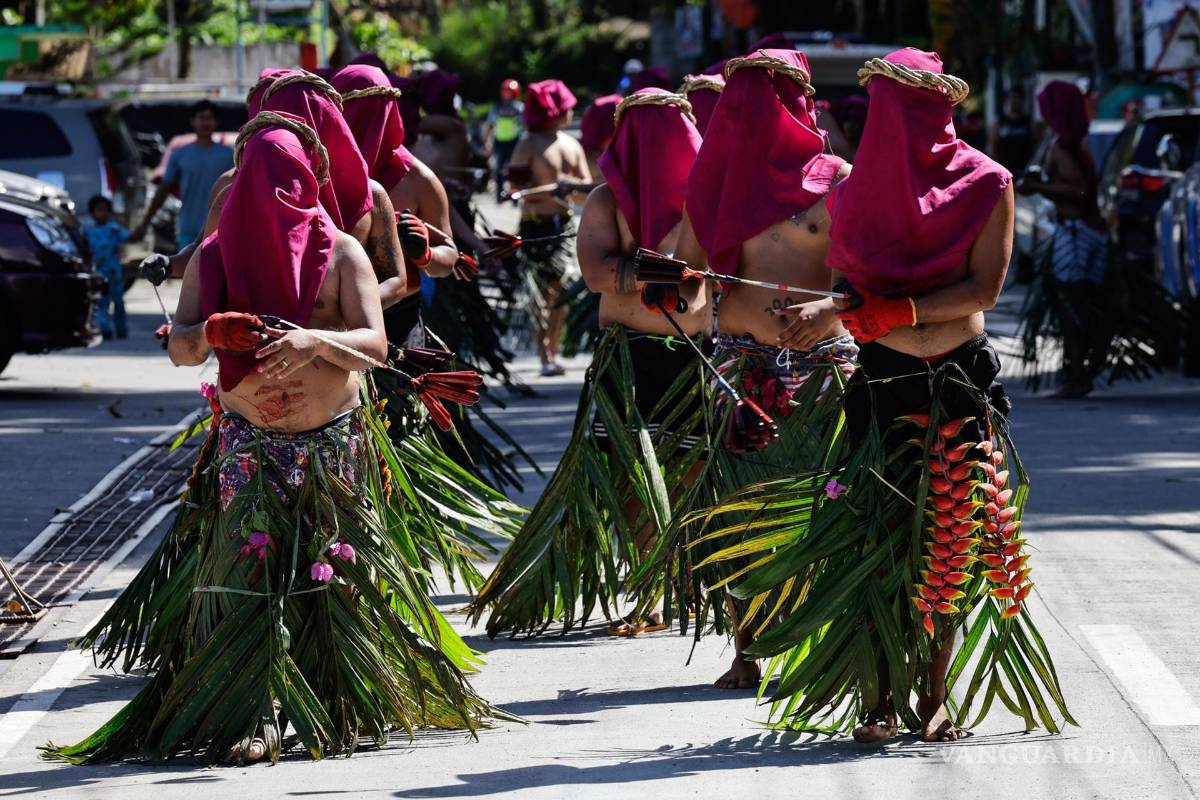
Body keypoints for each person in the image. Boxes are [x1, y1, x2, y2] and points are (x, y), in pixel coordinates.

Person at [45, 116, 498, 765]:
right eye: (265, 183)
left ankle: (339, 700)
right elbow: (179, 346)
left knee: (333, 577)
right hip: (248, 445)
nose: (279, 196)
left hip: (331, 442)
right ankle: (251, 713)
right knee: (251, 582)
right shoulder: (215, 256)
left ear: (313, 179)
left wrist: (318, 340)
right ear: (243, 185)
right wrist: (211, 333)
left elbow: (374, 346)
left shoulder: (342, 251)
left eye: (290, 182)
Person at [705, 48, 1072, 743]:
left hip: (959, 378)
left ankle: (933, 694)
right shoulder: (854, 190)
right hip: (882, 382)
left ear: (939, 112)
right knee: (873, 539)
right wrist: (830, 314)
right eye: (884, 111)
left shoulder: (989, 183)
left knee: (950, 541)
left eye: (907, 111)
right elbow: (850, 289)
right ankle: (876, 699)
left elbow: (983, 291)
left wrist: (894, 313)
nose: (892, 126)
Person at [468, 88, 708, 638]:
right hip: (626, 357)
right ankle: (648, 590)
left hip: (693, 356)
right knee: (629, 478)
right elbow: (600, 275)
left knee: (692, 473)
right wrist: (657, 275)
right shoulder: (607, 200)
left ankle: (688, 582)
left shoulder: (709, 198)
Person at [662, 49, 858, 689]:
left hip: (825, 367)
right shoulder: (713, 186)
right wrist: (677, 290)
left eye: (765, 95)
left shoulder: (839, 180)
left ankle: (828, 636)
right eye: (740, 97)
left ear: (798, 104)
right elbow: (690, 280)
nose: (749, 111)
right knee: (738, 509)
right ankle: (746, 651)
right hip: (742, 370)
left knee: (829, 503)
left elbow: (864, 280)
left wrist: (828, 303)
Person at [331, 64, 459, 350]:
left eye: (372, 112)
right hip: (328, 324)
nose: (362, 124)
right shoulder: (313, 172)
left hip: (399, 326)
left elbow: (449, 257)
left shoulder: (418, 180)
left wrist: (425, 253)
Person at [1018, 80, 1108, 398]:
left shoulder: (1063, 145)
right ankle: (1080, 370)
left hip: (1075, 233)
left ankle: (1078, 376)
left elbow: (1077, 191)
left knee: (1070, 306)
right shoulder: (1077, 142)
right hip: (1090, 231)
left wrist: (1037, 188)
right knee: (1082, 304)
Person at [508, 79, 592, 375]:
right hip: (535, 226)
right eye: (567, 107)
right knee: (538, 295)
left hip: (565, 226)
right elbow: (513, 189)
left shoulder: (572, 144)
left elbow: (585, 191)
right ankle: (544, 354)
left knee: (562, 292)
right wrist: (552, 189)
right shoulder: (527, 143)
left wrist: (570, 188)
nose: (571, 112)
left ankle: (553, 351)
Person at [131, 99, 233, 249]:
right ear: (193, 121)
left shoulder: (229, 155)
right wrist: (145, 223)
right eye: (201, 118)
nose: (205, 123)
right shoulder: (179, 154)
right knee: (188, 271)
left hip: (220, 228)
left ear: (216, 122)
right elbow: (163, 190)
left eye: (209, 118)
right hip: (188, 227)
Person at [84, 195, 130, 339]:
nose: (102, 213)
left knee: (119, 302)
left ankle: (121, 329)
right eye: (99, 210)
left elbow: (130, 237)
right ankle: (104, 328)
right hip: (98, 273)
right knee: (101, 302)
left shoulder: (114, 229)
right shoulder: (87, 232)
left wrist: (142, 229)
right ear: (92, 213)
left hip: (115, 273)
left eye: (105, 210)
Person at [485, 78, 524, 203]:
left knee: (515, 172)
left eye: (510, 92)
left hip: (515, 142)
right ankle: (499, 196)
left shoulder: (519, 108)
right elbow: (490, 125)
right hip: (500, 142)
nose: (507, 95)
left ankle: (514, 197)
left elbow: (525, 126)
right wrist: (487, 141)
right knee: (499, 171)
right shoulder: (496, 108)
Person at [991, 86, 1035, 172]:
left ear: (1022, 100)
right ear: (1007, 100)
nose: (1014, 101)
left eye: (1017, 98)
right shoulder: (999, 122)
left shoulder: (1029, 122)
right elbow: (992, 146)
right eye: (1011, 98)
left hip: (1024, 169)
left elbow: (1034, 144)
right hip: (1004, 169)